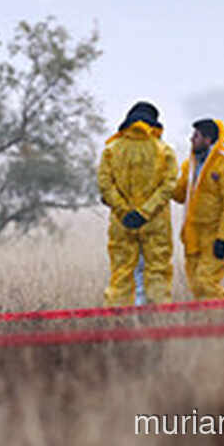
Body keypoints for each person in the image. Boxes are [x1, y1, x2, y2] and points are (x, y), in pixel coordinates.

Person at [96, 101, 179, 306]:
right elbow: (169, 186)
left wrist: (125, 212)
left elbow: (105, 185)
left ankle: (119, 319)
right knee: (157, 270)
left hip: (122, 223)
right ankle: (156, 320)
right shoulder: (164, 150)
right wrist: (144, 212)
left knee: (122, 271)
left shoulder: (111, 149)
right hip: (155, 223)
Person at [171, 118, 224, 300]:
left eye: (196, 136)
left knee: (206, 282)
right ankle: (207, 323)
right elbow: (181, 195)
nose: (191, 139)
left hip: (216, 237)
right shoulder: (190, 164)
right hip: (194, 237)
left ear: (208, 139)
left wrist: (223, 238)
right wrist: (162, 183)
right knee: (197, 287)